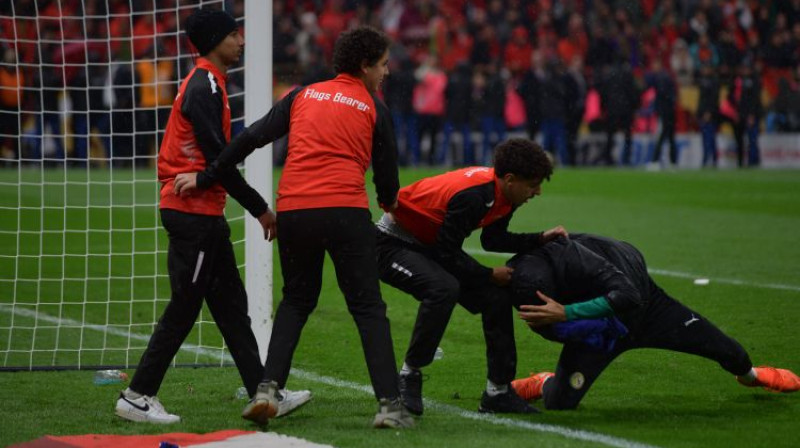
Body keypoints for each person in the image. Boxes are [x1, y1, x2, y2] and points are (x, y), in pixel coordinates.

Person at [172, 26, 414, 429]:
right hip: (345, 210)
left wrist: (208, 175)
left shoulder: (303, 94)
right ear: (365, 65)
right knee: (368, 307)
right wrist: (391, 206)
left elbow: (251, 137)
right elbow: (386, 179)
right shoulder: (373, 106)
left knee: (296, 301)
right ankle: (390, 405)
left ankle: (267, 388)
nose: (386, 73)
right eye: (384, 65)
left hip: (295, 211)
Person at [114, 8, 309, 424]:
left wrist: (208, 179)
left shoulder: (211, 82)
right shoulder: (204, 86)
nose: (242, 41)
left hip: (205, 213)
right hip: (192, 214)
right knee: (185, 306)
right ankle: (137, 394)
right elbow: (221, 160)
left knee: (232, 310)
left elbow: (215, 164)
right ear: (216, 40)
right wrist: (260, 208)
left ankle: (265, 392)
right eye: (235, 35)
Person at [375, 138, 567, 416]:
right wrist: (488, 274)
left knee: (496, 299)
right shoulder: (474, 195)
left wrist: (539, 239)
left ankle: (497, 393)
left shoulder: (504, 194)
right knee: (443, 288)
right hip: (391, 243)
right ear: (510, 180)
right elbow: (446, 253)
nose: (537, 192)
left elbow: (492, 239)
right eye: (533, 184)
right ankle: (409, 375)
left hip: (429, 245)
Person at [506, 233, 800, 410]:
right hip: (605, 322)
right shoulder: (532, 270)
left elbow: (629, 295)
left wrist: (567, 314)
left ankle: (753, 376)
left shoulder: (588, 264)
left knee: (730, 352)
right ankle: (545, 382)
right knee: (559, 402)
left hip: (649, 310)